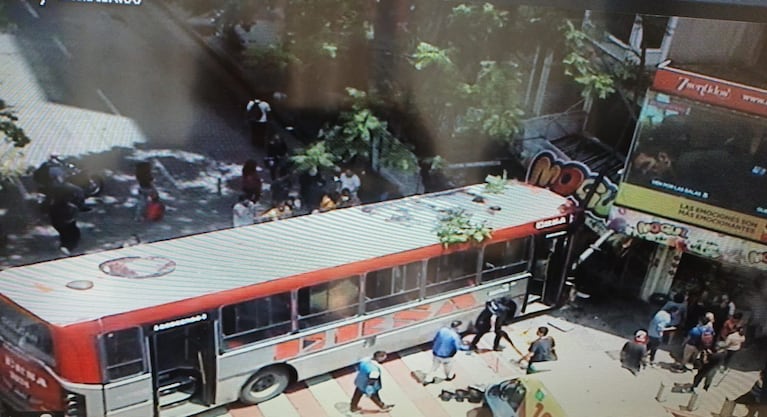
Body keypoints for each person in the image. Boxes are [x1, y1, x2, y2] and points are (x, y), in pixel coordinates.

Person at [422, 320, 470, 385]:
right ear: (457, 327)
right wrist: (468, 347)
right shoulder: (455, 336)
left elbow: (435, 338)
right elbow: (459, 347)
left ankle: (428, 378)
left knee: (434, 366)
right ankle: (449, 376)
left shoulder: (442, 330)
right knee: (448, 366)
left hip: (436, 353)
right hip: (447, 356)